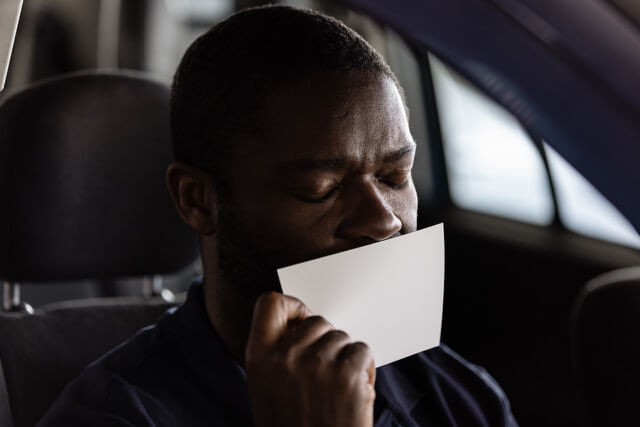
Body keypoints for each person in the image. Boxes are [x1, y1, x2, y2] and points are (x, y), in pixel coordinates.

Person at [40, 5, 518, 426]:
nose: (385, 221)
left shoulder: (457, 393)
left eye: (395, 177)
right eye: (321, 190)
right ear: (197, 200)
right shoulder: (113, 415)